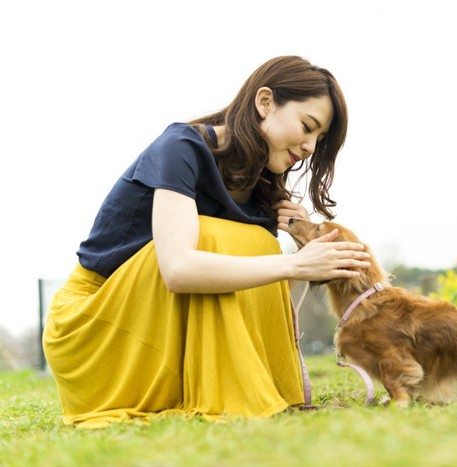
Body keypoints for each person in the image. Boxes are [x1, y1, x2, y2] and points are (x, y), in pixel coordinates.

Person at [42, 56, 371, 429]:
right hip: (97, 322)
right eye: (307, 127)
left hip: (164, 324)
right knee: (212, 235)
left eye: (320, 139)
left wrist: (297, 245)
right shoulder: (181, 147)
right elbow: (179, 269)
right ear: (265, 102)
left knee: (243, 244)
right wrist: (296, 263)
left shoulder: (265, 183)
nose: (311, 146)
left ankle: (240, 388)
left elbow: (255, 287)